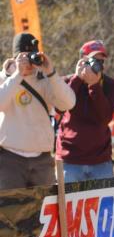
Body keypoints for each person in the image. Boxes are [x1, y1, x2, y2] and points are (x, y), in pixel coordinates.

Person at [0, 33, 76, 189]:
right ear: (15, 57)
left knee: (41, 211)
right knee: (11, 211)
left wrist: (52, 73)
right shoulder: (4, 78)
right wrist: (17, 75)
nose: (29, 62)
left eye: (32, 56)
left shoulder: (44, 79)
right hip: (9, 160)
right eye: (24, 57)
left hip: (42, 160)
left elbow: (69, 103)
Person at [56, 40, 114, 183]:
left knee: (103, 203)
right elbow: (60, 108)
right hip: (70, 159)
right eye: (94, 60)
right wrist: (77, 79)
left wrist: (94, 85)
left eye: (101, 61)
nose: (98, 65)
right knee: (69, 204)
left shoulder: (113, 86)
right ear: (82, 60)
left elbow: (104, 117)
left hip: (100, 161)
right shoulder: (66, 82)